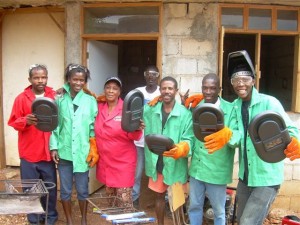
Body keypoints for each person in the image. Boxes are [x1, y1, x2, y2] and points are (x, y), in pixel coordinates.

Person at [228, 50, 300, 225]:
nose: (240, 84)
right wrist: (227, 136)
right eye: (235, 80)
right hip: (246, 177)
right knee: (243, 220)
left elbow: (289, 127)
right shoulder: (235, 107)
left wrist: (295, 140)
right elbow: (236, 137)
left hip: (267, 177)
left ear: (253, 80)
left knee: (248, 222)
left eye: (245, 79)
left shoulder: (270, 102)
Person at [185, 73, 240, 225]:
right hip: (197, 168)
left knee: (219, 211)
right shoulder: (197, 108)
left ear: (219, 89)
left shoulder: (230, 109)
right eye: (205, 88)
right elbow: (190, 134)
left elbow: (237, 137)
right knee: (194, 206)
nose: (208, 92)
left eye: (212, 88)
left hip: (217, 170)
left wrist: (228, 135)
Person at [8, 64, 58, 225]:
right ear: (30, 79)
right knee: (31, 189)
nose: (40, 80)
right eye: (36, 77)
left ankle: (50, 217)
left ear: (47, 78)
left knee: (50, 188)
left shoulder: (54, 96)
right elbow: (13, 122)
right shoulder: (21, 98)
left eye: (43, 77)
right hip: (29, 154)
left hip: (48, 153)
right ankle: (34, 220)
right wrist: (25, 120)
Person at [50, 64, 98, 225]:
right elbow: (55, 126)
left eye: (82, 80)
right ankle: (70, 221)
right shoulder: (60, 99)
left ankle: (84, 219)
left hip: (83, 152)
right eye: (75, 79)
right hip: (64, 151)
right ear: (69, 80)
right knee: (65, 190)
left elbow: (93, 128)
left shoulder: (90, 101)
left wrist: (93, 148)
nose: (78, 83)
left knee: (83, 190)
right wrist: (54, 147)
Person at [144, 76, 194, 225]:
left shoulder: (185, 114)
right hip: (157, 162)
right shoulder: (151, 110)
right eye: (164, 88)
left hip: (176, 163)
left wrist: (183, 147)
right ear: (159, 91)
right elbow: (135, 116)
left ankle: (178, 223)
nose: (167, 91)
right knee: (159, 198)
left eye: (170, 88)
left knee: (177, 201)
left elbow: (189, 138)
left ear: (176, 91)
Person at [95, 76, 144, 208]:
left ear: (119, 92)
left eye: (115, 88)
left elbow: (135, 136)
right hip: (106, 162)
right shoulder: (99, 107)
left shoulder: (126, 109)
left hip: (123, 163)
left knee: (124, 202)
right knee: (111, 203)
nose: (111, 91)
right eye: (108, 88)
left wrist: (136, 128)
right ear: (104, 90)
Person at [132, 65, 161, 208]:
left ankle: (162, 202)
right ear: (144, 75)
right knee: (136, 174)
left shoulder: (163, 92)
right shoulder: (138, 92)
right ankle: (134, 200)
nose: (151, 76)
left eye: (154, 74)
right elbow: (130, 112)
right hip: (139, 141)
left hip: (156, 143)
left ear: (158, 76)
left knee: (159, 172)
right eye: (148, 74)